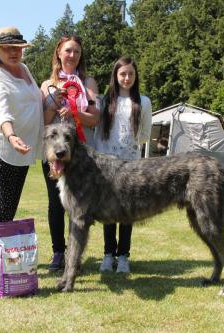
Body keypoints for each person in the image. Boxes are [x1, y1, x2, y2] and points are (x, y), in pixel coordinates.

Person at [0, 26, 44, 276]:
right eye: (7, 48)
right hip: (1, 149)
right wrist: (11, 134)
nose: (13, 52)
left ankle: (6, 263)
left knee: (8, 212)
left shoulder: (24, 70)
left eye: (17, 48)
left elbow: (35, 101)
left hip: (21, 153)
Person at [40, 35, 100, 272]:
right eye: (68, 51)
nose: (72, 55)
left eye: (76, 51)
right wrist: (54, 104)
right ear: (58, 53)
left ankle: (74, 256)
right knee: (55, 204)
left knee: (79, 206)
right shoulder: (47, 85)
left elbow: (94, 119)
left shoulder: (89, 83)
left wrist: (75, 112)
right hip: (53, 154)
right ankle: (58, 253)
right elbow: (43, 121)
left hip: (80, 155)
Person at [94, 57, 152, 273]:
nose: (126, 78)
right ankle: (108, 255)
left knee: (127, 212)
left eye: (131, 74)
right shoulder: (104, 100)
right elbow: (98, 130)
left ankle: (124, 257)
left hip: (131, 166)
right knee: (108, 212)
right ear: (115, 76)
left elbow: (145, 133)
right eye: (122, 74)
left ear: (135, 77)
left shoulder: (143, 102)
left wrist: (131, 146)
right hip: (107, 165)